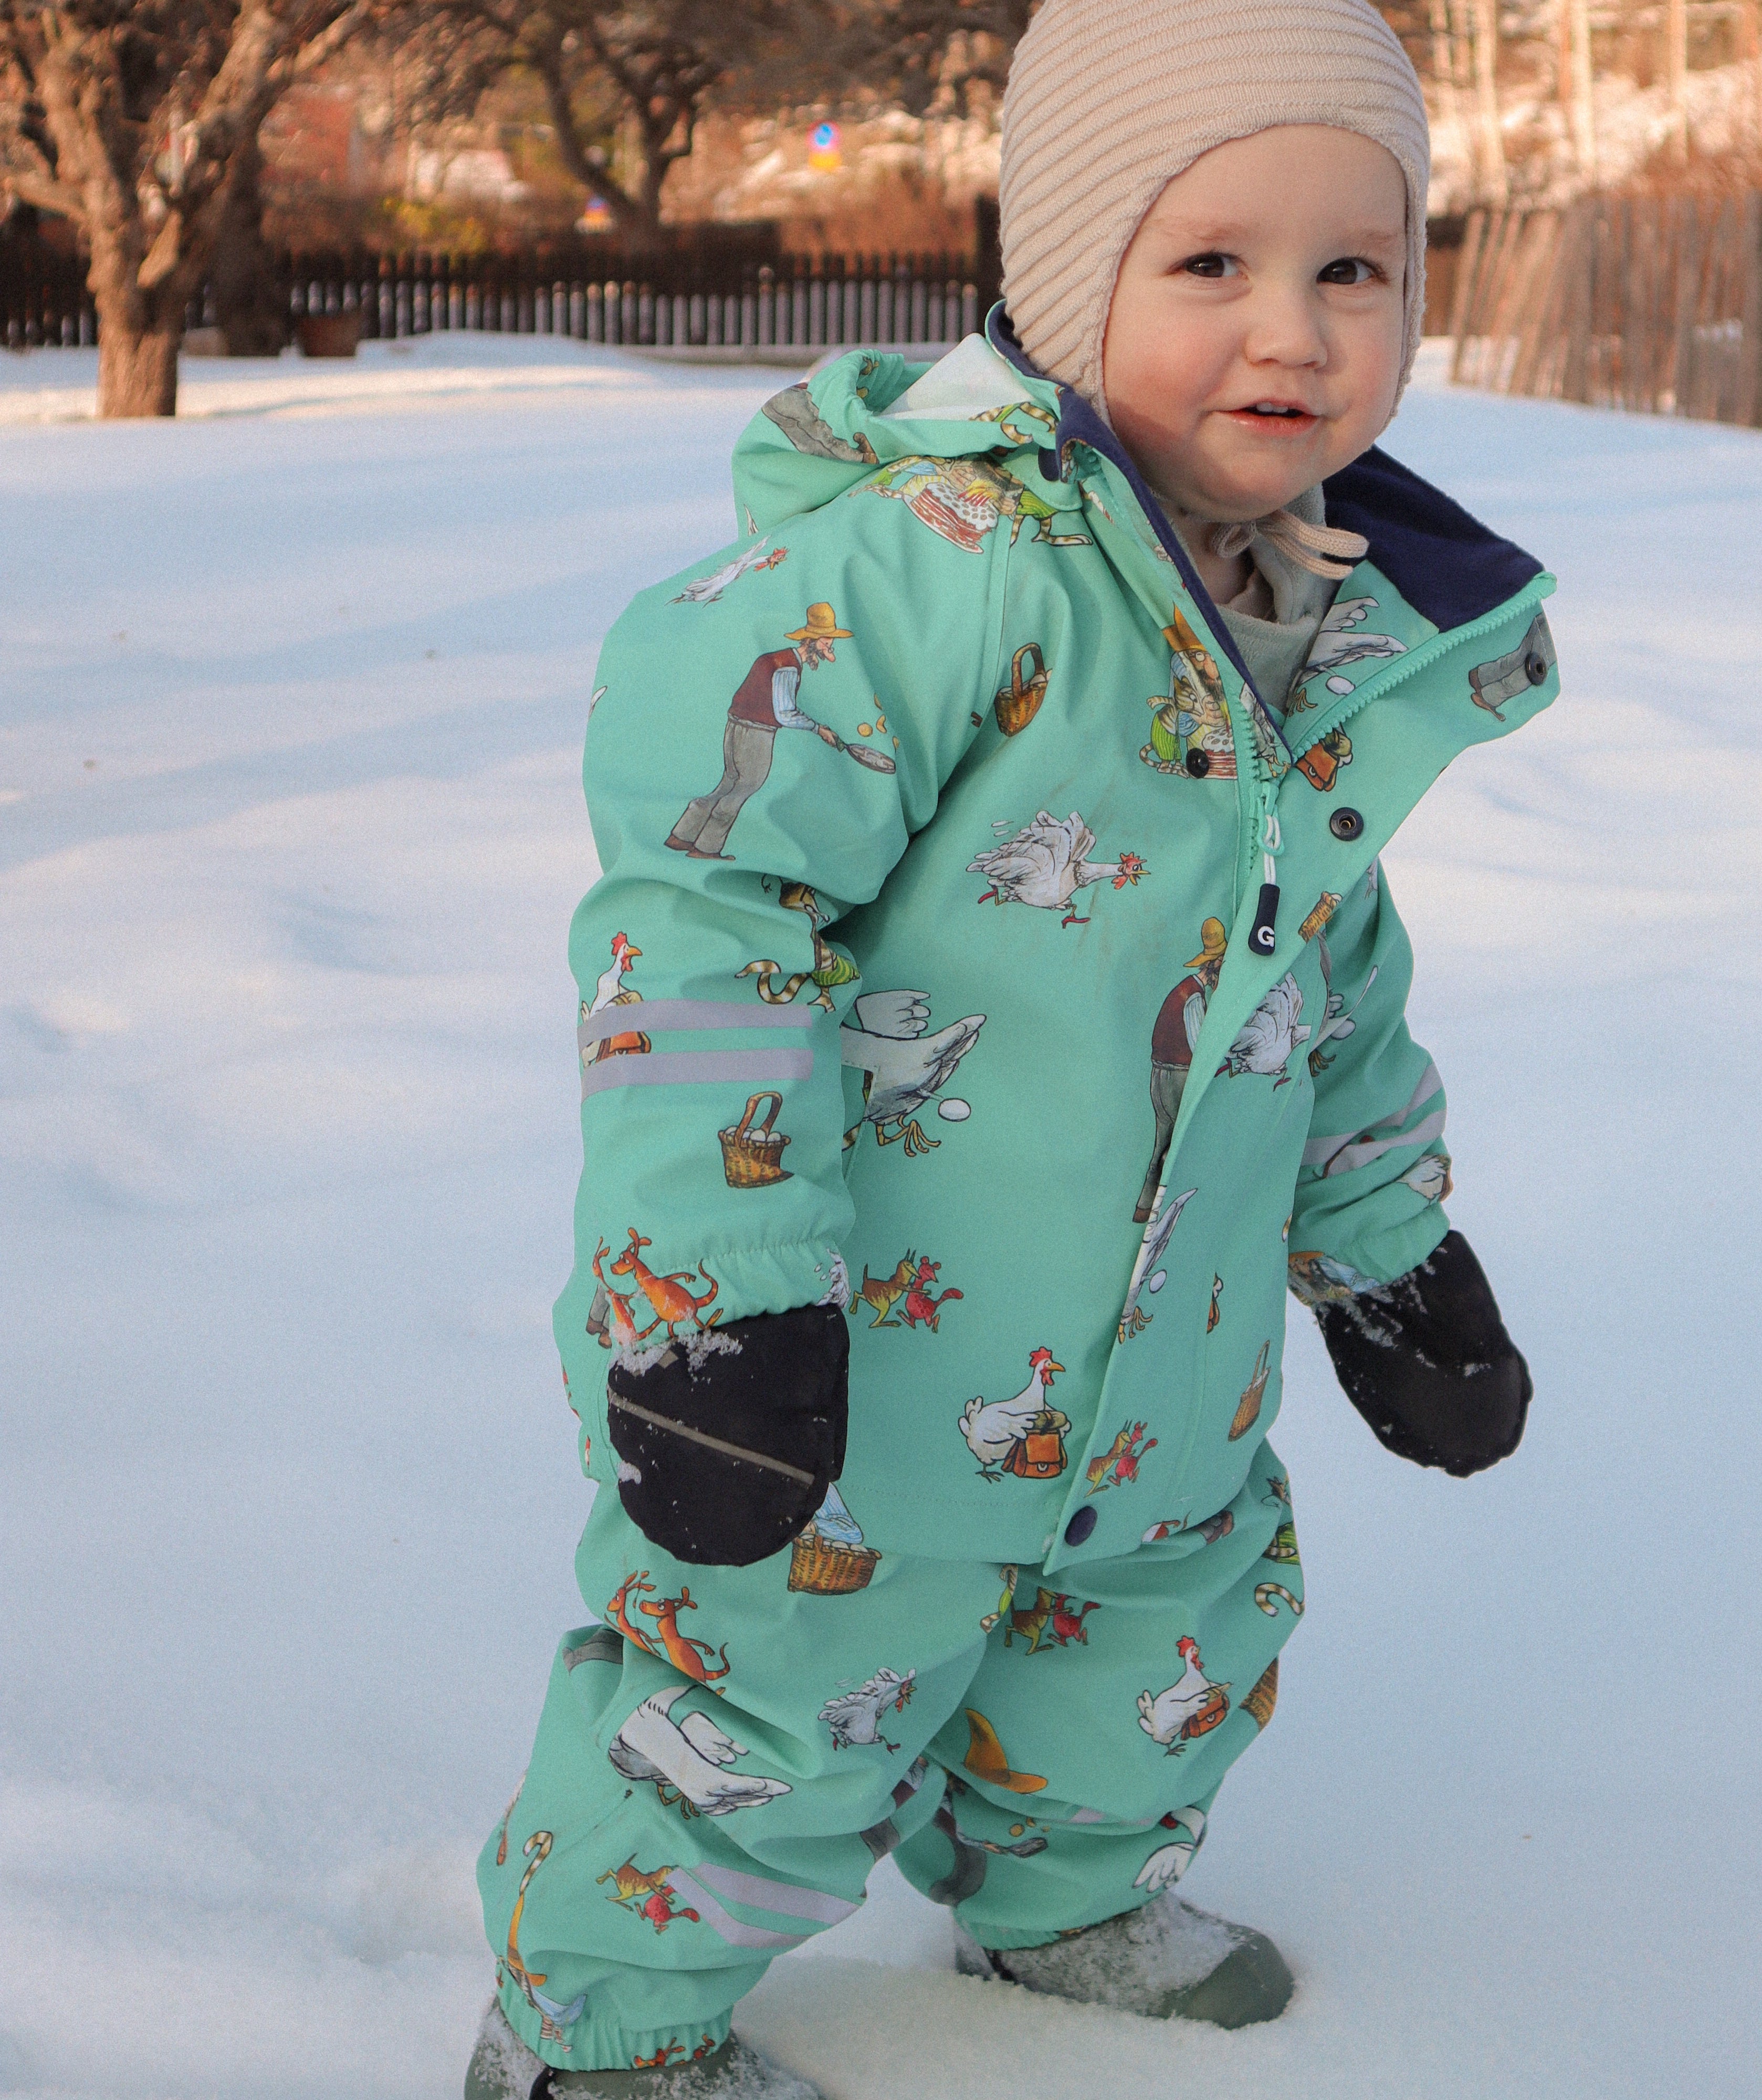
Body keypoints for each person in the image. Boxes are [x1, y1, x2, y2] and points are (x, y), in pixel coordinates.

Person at [467, 2, 1556, 2092]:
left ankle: (1066, 1906)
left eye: (1357, 266)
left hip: (1168, 1391)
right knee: (757, 1711)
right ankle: (592, 2033)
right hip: (855, 1385)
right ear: (1072, 283)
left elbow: (1319, 969)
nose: (1296, 330)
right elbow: (703, 932)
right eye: (1210, 261)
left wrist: (1389, 1249)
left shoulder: (1316, 632)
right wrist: (713, 1305)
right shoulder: (919, 579)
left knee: (1152, 1656)